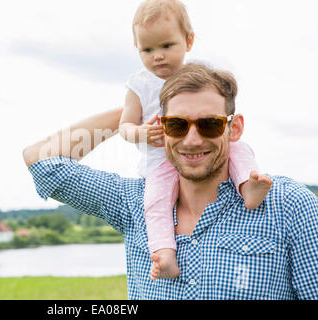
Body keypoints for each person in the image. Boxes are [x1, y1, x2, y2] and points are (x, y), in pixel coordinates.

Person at [23, 62, 318, 300]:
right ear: (161, 127)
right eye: (176, 124)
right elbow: (40, 158)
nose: (191, 140)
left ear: (235, 128)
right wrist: (129, 116)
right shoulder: (134, 202)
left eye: (210, 124)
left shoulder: (291, 206)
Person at [119, 0, 272, 280]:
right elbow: (124, 127)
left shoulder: (199, 74)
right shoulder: (138, 85)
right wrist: (140, 132)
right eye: (147, 50)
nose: (158, 57)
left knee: (240, 149)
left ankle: (246, 185)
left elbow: (222, 111)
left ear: (189, 41)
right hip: (162, 162)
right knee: (155, 201)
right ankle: (164, 253)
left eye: (166, 46)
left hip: (208, 159)